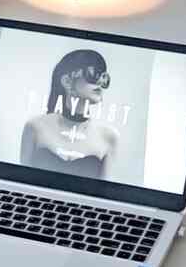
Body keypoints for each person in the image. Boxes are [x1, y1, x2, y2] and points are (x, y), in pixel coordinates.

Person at [20, 50, 119, 179]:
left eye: (104, 77)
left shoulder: (109, 136)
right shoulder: (34, 127)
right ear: (67, 81)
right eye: (93, 74)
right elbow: (21, 180)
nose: (100, 82)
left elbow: (105, 192)